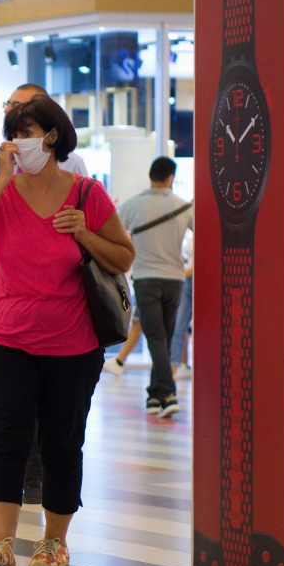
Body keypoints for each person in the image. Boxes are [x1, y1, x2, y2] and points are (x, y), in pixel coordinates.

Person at [0, 94, 134, 566]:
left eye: (26, 134)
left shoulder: (87, 194)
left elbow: (123, 256)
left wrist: (84, 233)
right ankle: (2, 544)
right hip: (4, 336)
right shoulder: (3, 191)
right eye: (12, 135)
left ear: (51, 137)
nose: (18, 143)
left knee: (61, 442)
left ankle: (55, 541)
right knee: (6, 439)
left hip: (72, 341)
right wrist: (0, 179)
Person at [0, 83, 91, 505]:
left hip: (64, 303)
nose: (17, 130)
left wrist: (82, 234)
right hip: (1, 287)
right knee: (8, 419)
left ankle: (39, 481)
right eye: (11, 111)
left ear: (50, 127)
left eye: (25, 113)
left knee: (58, 424)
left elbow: (99, 234)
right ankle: (9, 510)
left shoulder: (76, 171)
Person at [117, 157, 193, 418]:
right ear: (170, 178)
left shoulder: (132, 205)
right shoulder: (183, 206)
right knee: (163, 338)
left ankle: (167, 394)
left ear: (151, 175)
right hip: (175, 281)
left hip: (146, 279)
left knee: (156, 338)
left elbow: (114, 231)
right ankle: (155, 396)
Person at [170, 229, 194, 379]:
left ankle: (179, 367)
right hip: (187, 281)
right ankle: (173, 370)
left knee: (181, 325)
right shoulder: (192, 233)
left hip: (195, 278)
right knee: (179, 325)